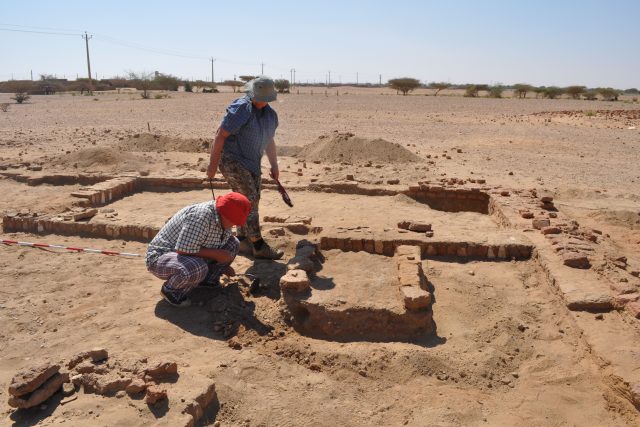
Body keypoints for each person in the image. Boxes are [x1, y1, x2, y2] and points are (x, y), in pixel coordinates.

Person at [207, 76, 284, 260]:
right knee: (250, 199)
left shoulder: (270, 116)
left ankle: (241, 240)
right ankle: (258, 245)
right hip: (232, 159)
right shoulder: (242, 108)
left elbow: (269, 141)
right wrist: (212, 165)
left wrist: (274, 164)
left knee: (249, 200)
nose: (259, 100)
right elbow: (220, 134)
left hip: (252, 162)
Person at [146, 192, 251, 307]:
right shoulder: (201, 217)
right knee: (197, 267)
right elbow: (183, 250)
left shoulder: (222, 218)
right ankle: (171, 291)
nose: (234, 225)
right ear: (224, 214)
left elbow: (218, 242)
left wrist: (223, 267)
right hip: (162, 257)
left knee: (233, 244)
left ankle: (208, 280)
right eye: (233, 221)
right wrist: (217, 255)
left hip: (189, 252)